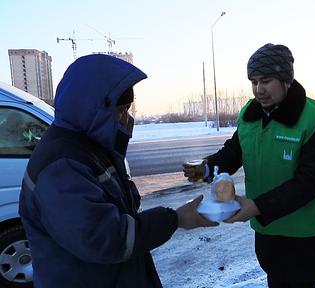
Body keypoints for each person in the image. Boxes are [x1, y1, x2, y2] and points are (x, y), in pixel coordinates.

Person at [18, 54, 217, 288]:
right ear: (91, 108)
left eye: (126, 110)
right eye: (120, 111)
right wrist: (175, 219)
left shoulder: (88, 146)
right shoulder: (62, 164)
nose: (124, 119)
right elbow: (104, 238)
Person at [183, 43, 315, 287]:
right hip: (267, 232)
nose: (258, 89)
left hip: (305, 236)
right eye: (253, 82)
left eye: (266, 80)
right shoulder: (249, 115)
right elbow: (233, 153)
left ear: (286, 79)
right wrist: (207, 168)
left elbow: (310, 181)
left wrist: (257, 206)